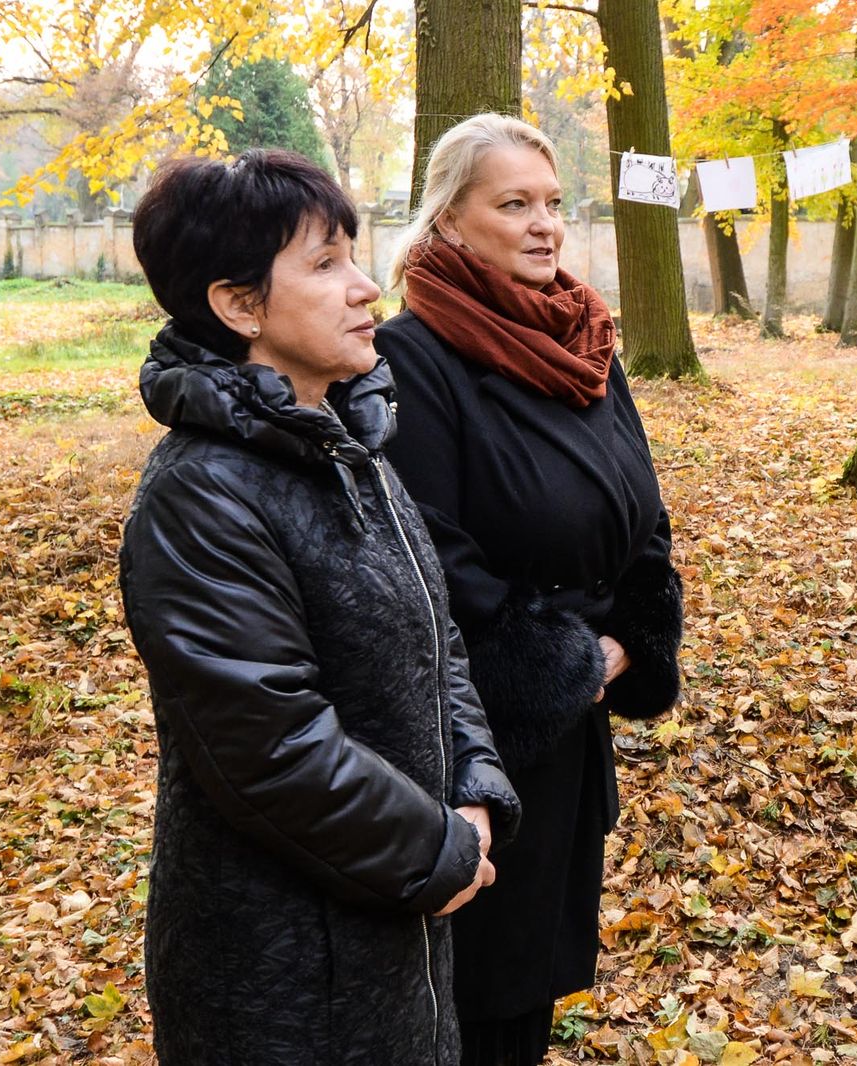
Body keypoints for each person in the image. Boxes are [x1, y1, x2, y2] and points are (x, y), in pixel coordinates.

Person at [120, 149, 521, 1065]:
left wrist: (473, 787)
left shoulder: (349, 445)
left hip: (400, 926)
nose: (366, 286)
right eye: (326, 263)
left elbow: (438, 640)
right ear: (240, 305)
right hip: (283, 970)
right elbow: (272, 747)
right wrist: (441, 850)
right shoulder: (201, 495)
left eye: (354, 254)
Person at [376, 114, 684, 1065]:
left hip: (575, 730)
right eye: (514, 204)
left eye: (553, 202)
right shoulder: (412, 357)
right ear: (449, 221)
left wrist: (635, 635)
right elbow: (428, 551)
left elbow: (643, 511)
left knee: (535, 986)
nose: (545, 225)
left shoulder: (586, 344)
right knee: (477, 992)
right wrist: (562, 660)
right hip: (477, 742)